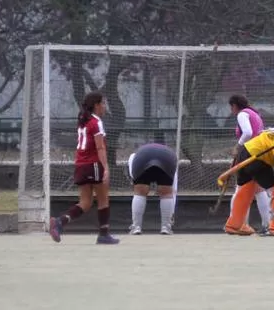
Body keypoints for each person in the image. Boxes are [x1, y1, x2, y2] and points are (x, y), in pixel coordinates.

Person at [49, 92, 119, 245]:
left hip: (80, 164)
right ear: (97, 105)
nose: (105, 107)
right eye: (103, 103)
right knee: (103, 199)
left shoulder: (83, 121)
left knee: (86, 202)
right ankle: (104, 234)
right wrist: (105, 168)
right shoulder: (96, 122)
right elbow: (100, 147)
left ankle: (60, 222)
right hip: (93, 164)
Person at [228, 94, 270, 231]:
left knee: (240, 188)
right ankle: (267, 224)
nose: (231, 110)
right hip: (259, 153)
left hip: (248, 153)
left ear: (234, 105)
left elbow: (247, 132)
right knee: (259, 189)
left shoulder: (242, 115)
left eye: (231, 107)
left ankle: (236, 222)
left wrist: (237, 147)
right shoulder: (254, 114)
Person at [127, 142, 178, 236]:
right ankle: (166, 227)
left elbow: (133, 180)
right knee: (166, 193)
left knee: (140, 192)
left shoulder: (133, 157)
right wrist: (172, 215)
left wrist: (139, 188)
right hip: (167, 157)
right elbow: (173, 192)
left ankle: (136, 226)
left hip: (143, 157)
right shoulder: (170, 156)